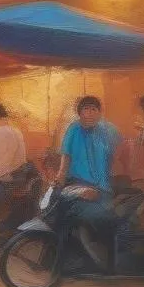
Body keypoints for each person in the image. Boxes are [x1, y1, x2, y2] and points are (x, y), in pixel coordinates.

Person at [58, 95, 123, 268]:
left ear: (100, 113)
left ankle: (93, 260)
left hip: (101, 188)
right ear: (79, 113)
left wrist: (105, 185)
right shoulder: (73, 129)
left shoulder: (109, 130)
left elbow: (118, 158)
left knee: (90, 215)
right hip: (76, 184)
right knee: (62, 211)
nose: (90, 113)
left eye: (94, 109)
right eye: (86, 109)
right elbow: (66, 156)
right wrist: (60, 176)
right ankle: (68, 257)